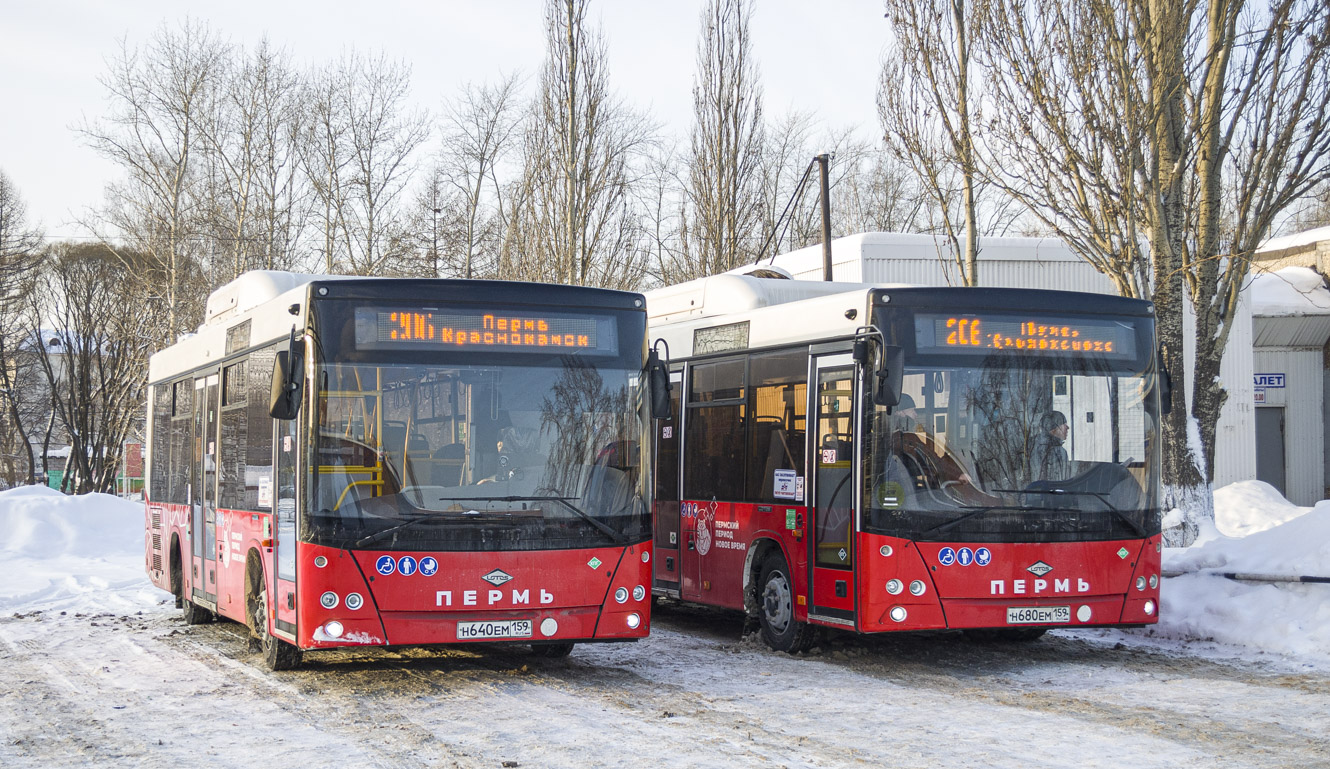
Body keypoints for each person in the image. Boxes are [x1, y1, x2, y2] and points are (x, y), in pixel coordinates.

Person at [1032, 410, 1071, 482]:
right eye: (1064, 424)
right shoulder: (1039, 449)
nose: (1067, 427)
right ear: (1053, 429)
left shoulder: (1059, 450)